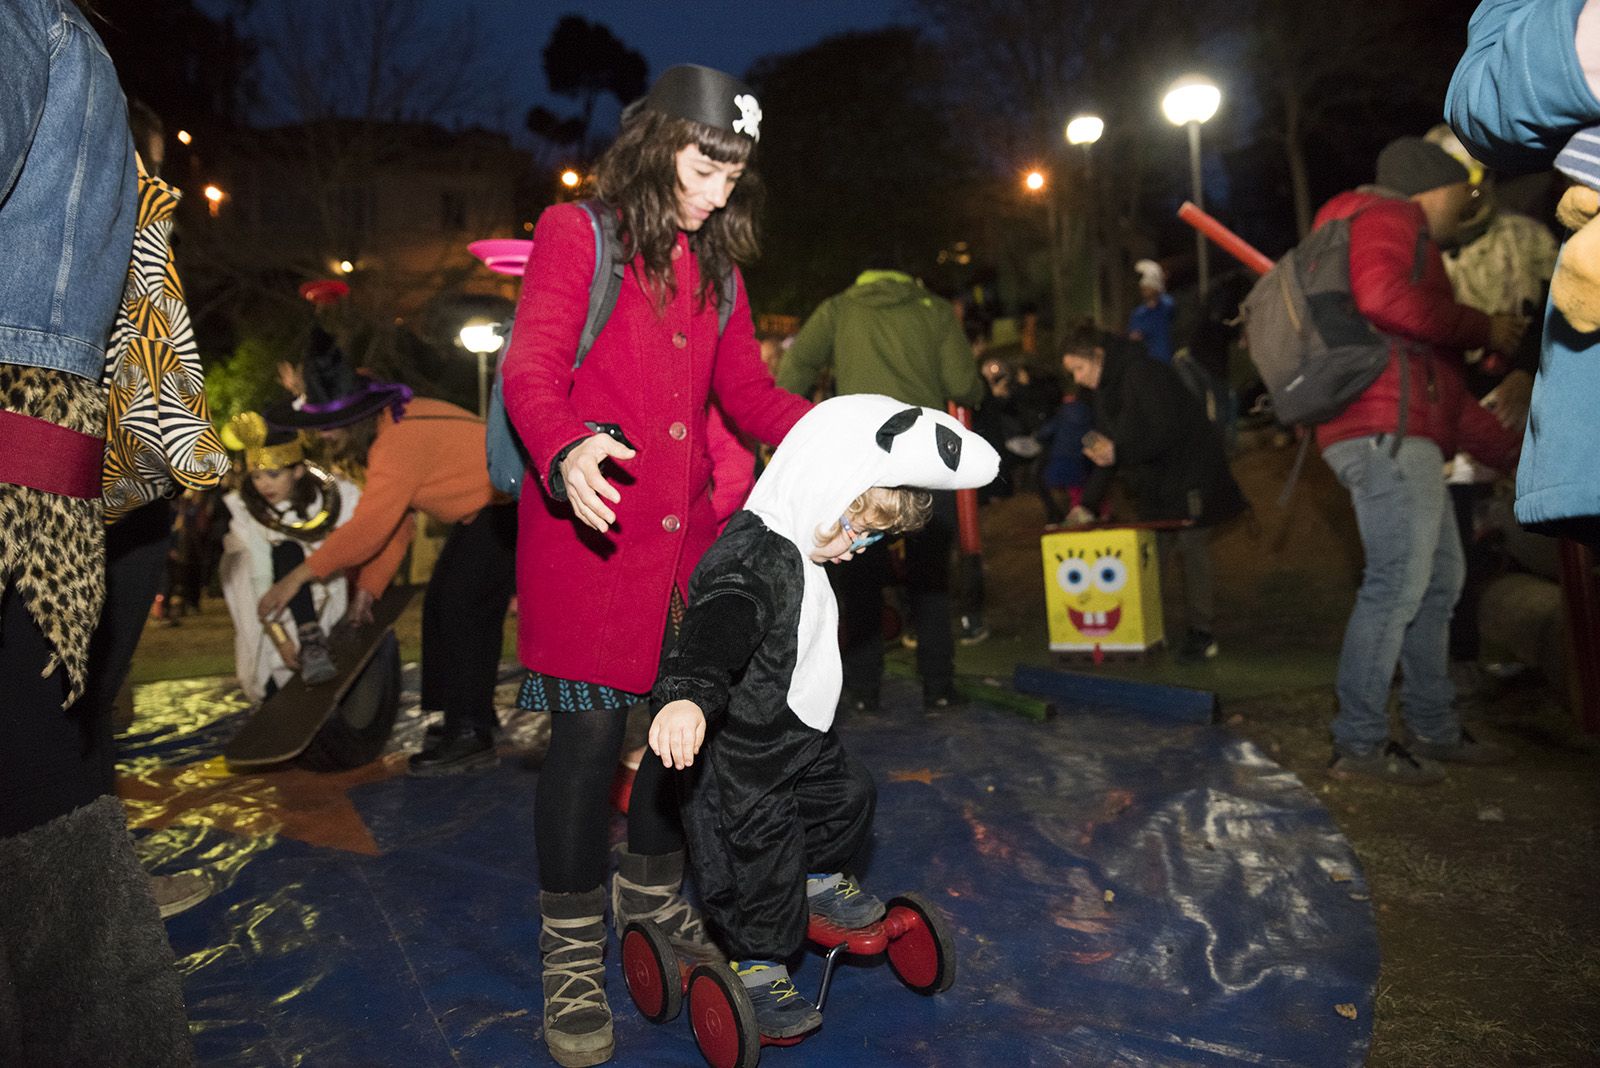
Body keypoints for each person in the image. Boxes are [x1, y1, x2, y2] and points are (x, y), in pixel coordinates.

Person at [500, 64, 810, 1067]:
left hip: (686, 552)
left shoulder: (719, 267)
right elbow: (531, 366)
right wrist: (562, 445)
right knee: (589, 750)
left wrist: (853, 440)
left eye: (734, 175)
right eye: (705, 166)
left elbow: (753, 396)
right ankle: (570, 954)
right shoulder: (578, 235)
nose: (719, 192)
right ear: (655, 143)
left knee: (685, 737)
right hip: (586, 537)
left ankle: (651, 901)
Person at [650, 395, 998, 1037]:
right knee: (758, 854)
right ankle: (757, 964)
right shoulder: (753, 557)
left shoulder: (803, 545)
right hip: (743, 756)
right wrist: (687, 694)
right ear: (820, 483)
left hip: (798, 739)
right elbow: (717, 623)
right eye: (854, 527)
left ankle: (814, 877)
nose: (858, 546)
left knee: (851, 796)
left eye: (871, 537)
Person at [0, 0, 193, 1062]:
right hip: (61, 467)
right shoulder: (76, 51)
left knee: (38, 781)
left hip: (43, 468)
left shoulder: (32, 27)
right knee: (38, 780)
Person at [1310, 136, 1525, 784]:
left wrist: (1521, 458)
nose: (1467, 208)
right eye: (1463, 195)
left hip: (1399, 428)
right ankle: (1360, 743)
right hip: (1385, 432)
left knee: (1434, 584)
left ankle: (1432, 726)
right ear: (1434, 187)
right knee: (1399, 583)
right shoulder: (1389, 218)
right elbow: (1379, 297)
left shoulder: (1400, 247)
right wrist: (1481, 326)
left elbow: (1444, 394)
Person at [256, 323, 518, 775]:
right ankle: (468, 716)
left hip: (506, 510)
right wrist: (367, 591)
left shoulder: (396, 441)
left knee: (462, 610)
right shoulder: (395, 420)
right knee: (443, 605)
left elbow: (372, 527)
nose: (324, 437)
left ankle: (469, 730)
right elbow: (398, 523)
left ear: (352, 417)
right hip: (485, 514)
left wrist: (299, 575)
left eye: (330, 427)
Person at [777, 260, 987, 712]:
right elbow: (963, 384)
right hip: (926, 459)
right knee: (930, 574)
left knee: (859, 573)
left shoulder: (838, 309)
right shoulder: (932, 309)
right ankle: (939, 687)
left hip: (863, 457)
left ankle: (862, 689)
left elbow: (793, 373)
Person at [1447, 0, 1600, 547]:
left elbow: (1548, 297)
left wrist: (1522, 365)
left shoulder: (1525, 233)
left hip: (1516, 368)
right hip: (1469, 379)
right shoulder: (1435, 250)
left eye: (1468, 179)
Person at [1059, 326, 1247, 662]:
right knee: (1149, 552)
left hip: (1191, 474)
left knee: (1191, 548)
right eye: (1072, 372)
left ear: (1098, 356)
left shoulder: (1144, 373)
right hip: (1156, 483)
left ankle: (1202, 633)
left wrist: (1119, 452)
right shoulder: (1105, 392)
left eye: (1080, 369)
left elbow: (1165, 429)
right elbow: (1109, 449)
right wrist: (1086, 505)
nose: (1078, 379)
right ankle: (1144, 630)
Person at [221, 412, 361, 700]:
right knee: (286, 549)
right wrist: (281, 640)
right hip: (280, 610)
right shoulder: (255, 517)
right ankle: (308, 645)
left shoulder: (335, 501)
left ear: (297, 471)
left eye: (273, 474)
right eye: (257, 476)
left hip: (329, 597)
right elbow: (261, 579)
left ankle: (313, 644)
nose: (264, 485)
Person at [1127, 258, 1177, 364]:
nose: (1145, 289)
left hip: (1168, 362)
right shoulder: (1138, 314)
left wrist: (1158, 279)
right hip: (1150, 365)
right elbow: (1134, 338)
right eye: (1144, 288)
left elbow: (1169, 305)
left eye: (1148, 287)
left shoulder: (1165, 306)